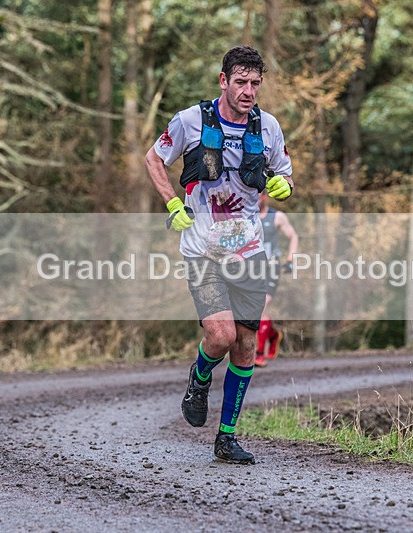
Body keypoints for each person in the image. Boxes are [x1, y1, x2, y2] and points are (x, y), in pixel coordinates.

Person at [144, 46, 294, 464]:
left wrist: (284, 186)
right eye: (241, 82)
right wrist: (173, 204)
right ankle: (201, 374)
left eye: (255, 84)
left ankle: (226, 438)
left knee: (246, 345)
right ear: (223, 80)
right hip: (202, 250)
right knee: (221, 337)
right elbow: (154, 158)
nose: (248, 91)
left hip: (250, 251)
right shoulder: (191, 120)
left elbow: (283, 173)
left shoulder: (268, 127)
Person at [254, 191, 298, 367]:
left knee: (261, 306)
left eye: (256, 196)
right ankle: (272, 335)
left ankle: (258, 355)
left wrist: (290, 259)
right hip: (251, 269)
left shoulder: (277, 217)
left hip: (272, 268)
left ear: (264, 197)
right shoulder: (245, 216)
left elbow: (293, 235)